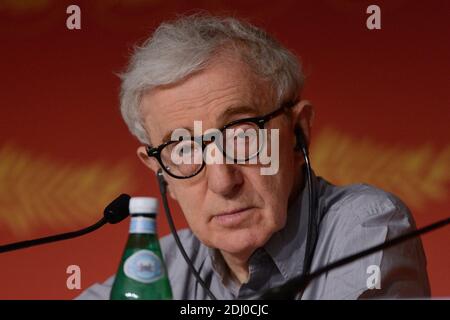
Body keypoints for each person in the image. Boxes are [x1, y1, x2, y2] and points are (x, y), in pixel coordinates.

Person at [77, 14, 430, 299]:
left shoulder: (365, 226)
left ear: (298, 133)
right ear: (161, 171)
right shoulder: (161, 266)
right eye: (183, 149)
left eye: (241, 136)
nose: (222, 181)